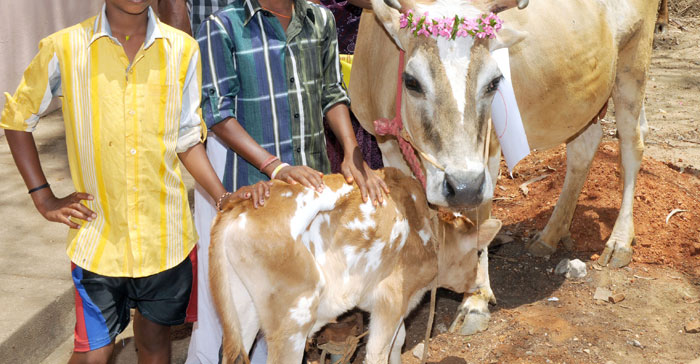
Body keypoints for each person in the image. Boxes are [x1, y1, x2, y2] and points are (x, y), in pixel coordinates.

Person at [0, 1, 269, 363]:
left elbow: (187, 137)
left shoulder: (183, 50)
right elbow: (18, 119)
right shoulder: (64, 47)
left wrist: (223, 197)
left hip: (165, 239)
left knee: (156, 340)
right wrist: (42, 196)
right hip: (97, 237)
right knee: (95, 351)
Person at [160, 0, 390, 362]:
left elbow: (331, 91)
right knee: (244, 322)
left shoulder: (319, 20)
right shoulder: (223, 26)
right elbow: (218, 112)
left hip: (311, 195)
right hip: (258, 197)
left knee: (293, 316)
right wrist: (274, 166)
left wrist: (350, 149)